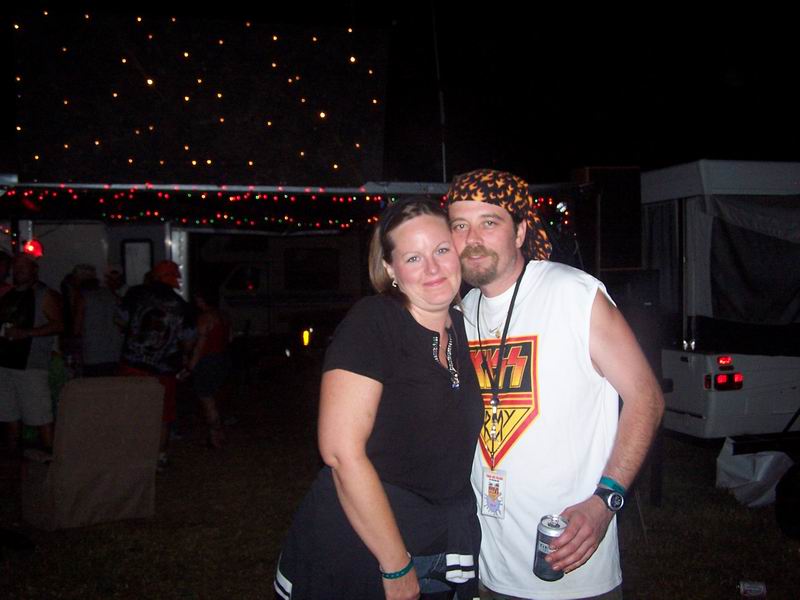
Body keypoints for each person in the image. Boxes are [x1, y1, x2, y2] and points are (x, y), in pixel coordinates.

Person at [446, 169, 664, 600]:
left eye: (489, 222)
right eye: (459, 225)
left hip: (571, 565)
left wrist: (606, 500)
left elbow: (646, 398)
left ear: (520, 231)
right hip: (488, 567)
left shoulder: (574, 294)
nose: (472, 238)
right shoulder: (462, 312)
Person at [275, 197, 483, 600]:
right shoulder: (374, 321)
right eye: (413, 258)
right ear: (390, 269)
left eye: (441, 250)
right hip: (366, 545)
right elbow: (340, 452)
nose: (433, 268)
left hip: (439, 539)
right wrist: (395, 564)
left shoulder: (463, 327)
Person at [117, 260, 195, 470]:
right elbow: (188, 339)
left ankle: (131, 455)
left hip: (132, 365)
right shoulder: (182, 306)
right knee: (163, 415)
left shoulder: (136, 294)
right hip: (164, 370)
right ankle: (159, 457)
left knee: (131, 410)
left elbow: (120, 319)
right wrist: (183, 355)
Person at [0, 254, 63, 455]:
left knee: (40, 414)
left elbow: (58, 325)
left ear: (34, 269)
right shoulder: (8, 295)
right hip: (5, 363)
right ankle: (14, 456)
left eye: (23, 266)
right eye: (16, 266)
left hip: (31, 364)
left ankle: (51, 455)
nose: (18, 270)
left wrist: (26, 333)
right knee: (8, 413)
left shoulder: (44, 295)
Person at [186, 288, 231, 448]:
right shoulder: (223, 316)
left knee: (207, 399)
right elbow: (229, 338)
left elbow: (200, 345)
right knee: (216, 398)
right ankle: (220, 434)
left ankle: (214, 437)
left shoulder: (205, 318)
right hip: (222, 359)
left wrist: (190, 366)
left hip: (207, 361)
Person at [74, 274, 123, 377]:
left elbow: (76, 328)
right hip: (113, 350)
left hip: (93, 352)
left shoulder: (83, 298)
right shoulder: (112, 295)